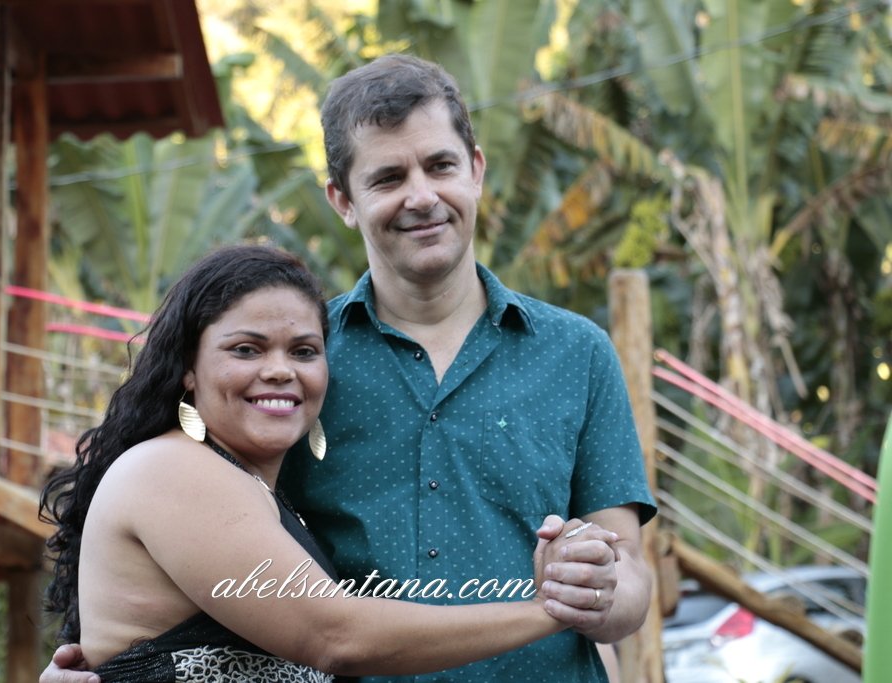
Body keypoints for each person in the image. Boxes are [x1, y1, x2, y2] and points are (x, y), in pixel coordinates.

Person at [42, 53, 656, 683]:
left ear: (475, 170)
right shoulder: (301, 364)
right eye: (388, 177)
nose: (422, 196)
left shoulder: (577, 352)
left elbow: (631, 575)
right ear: (342, 199)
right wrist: (103, 660)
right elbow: (199, 544)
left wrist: (596, 587)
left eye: (440, 166)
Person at [39, 244, 588, 682]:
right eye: (246, 349)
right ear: (188, 367)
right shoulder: (172, 469)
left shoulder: (251, 488)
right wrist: (546, 611)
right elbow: (335, 637)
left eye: (303, 351)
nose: (281, 370)